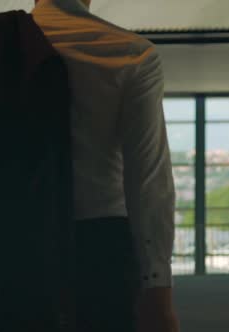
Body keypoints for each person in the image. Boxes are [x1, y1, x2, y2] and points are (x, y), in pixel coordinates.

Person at [29, 0, 180, 331]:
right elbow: (147, 178)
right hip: (100, 248)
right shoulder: (130, 53)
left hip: (21, 247)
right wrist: (157, 287)